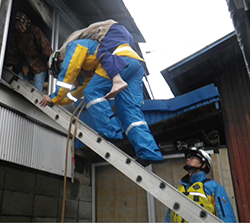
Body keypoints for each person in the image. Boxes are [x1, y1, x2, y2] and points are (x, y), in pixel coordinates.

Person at [39, 38, 163, 166]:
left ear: (60, 58)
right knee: (128, 110)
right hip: (134, 64)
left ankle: (110, 131)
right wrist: (59, 101)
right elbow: (78, 93)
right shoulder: (91, 70)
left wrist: (53, 97)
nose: (62, 70)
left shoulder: (73, 48)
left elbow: (68, 74)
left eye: (60, 68)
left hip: (118, 61)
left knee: (91, 92)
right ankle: (149, 153)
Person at [58, 19, 134, 99]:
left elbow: (70, 66)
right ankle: (119, 82)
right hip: (126, 37)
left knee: (102, 53)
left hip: (112, 30)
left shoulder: (67, 48)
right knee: (115, 60)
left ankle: (117, 81)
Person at [165, 147, 236, 223]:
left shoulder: (213, 187)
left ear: (204, 164)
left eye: (193, 157)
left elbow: (226, 215)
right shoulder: (178, 189)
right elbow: (170, 217)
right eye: (188, 157)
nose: (188, 159)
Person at [4, 12, 53, 91]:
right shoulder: (16, 36)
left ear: (25, 23)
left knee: (37, 85)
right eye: (17, 26)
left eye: (21, 24)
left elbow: (44, 45)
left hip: (39, 65)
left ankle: (38, 103)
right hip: (27, 66)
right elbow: (13, 52)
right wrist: (10, 65)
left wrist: (49, 59)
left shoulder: (35, 31)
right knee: (19, 80)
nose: (20, 27)